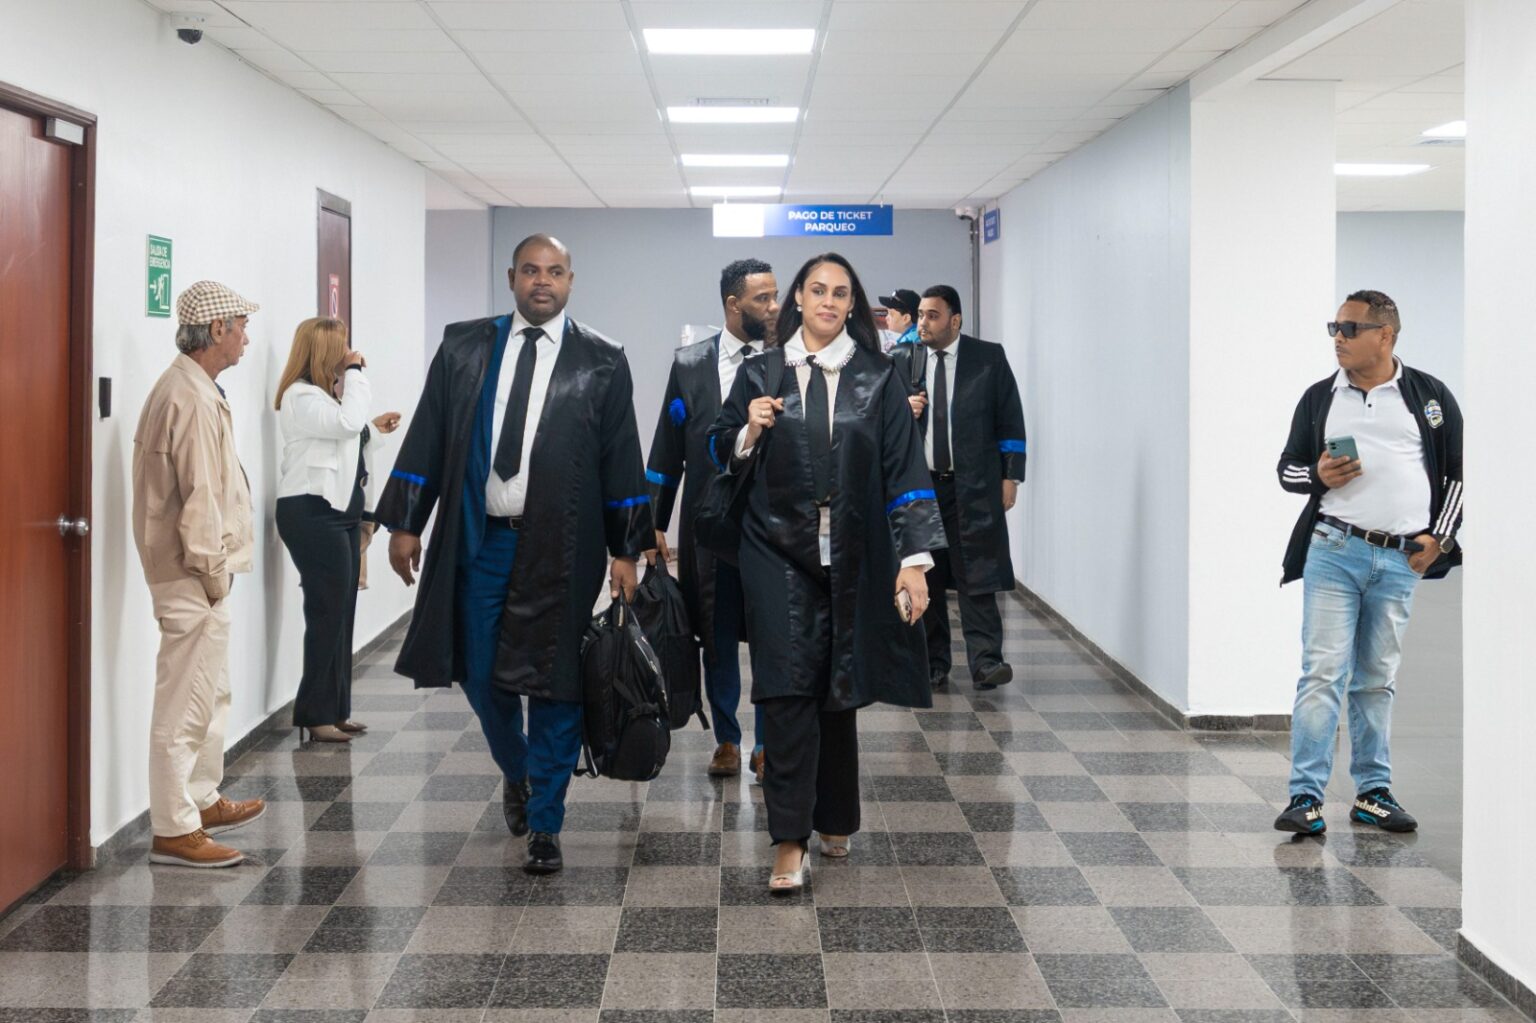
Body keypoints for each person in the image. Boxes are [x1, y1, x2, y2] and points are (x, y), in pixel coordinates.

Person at [378, 234, 652, 875]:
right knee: (481, 672)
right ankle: (521, 768)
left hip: (564, 544)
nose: (542, 281)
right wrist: (406, 522)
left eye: (554, 271)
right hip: (482, 538)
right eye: (531, 270)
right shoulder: (465, 347)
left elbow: (622, 455)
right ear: (511, 278)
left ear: (571, 281)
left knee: (555, 684)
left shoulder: (601, 360)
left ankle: (546, 824)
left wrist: (626, 550)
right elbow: (428, 432)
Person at [708, 252, 945, 892]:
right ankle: (789, 839)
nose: (829, 302)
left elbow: (903, 468)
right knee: (786, 688)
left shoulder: (877, 376)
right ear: (797, 298)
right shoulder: (761, 370)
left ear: (851, 304)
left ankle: (836, 814)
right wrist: (748, 431)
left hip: (853, 549)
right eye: (818, 290)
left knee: (840, 682)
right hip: (772, 547)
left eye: (841, 293)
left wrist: (915, 563)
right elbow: (717, 445)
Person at [1274, 289, 1463, 836]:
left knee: (1376, 680)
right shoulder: (1320, 397)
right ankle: (1305, 798)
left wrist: (1441, 539)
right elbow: (1286, 469)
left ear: (1385, 335)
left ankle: (1372, 793)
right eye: (1334, 327)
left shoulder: (1429, 396)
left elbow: (1457, 473)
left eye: (1350, 328)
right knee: (1323, 673)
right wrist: (1317, 475)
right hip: (1334, 551)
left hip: (1401, 560)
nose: (1338, 337)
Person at [132, 281, 266, 868]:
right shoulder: (186, 396)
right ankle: (173, 829)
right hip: (192, 573)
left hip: (200, 573)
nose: (246, 337)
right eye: (241, 325)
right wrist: (213, 573)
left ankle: (201, 799)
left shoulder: (193, 387)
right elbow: (200, 496)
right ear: (216, 330)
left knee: (210, 694)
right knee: (184, 706)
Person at [646, 259, 778, 781]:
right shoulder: (690, 365)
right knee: (715, 636)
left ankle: (767, 743)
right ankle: (727, 739)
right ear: (732, 304)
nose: (774, 307)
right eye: (763, 299)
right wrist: (652, 522)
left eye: (775, 296)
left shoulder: (786, 361)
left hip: (770, 526)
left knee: (771, 634)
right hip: (708, 524)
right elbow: (667, 446)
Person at [891, 285, 1026, 691]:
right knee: (926, 576)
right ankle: (933, 662)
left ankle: (986, 662)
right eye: (920, 314)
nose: (923, 323)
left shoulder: (988, 358)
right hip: (921, 490)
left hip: (974, 486)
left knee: (977, 573)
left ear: (955, 320)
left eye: (932, 315)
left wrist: (1010, 476)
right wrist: (904, 410)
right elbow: (880, 423)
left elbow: (1010, 418)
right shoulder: (901, 360)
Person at [274, 317, 374, 743]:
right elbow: (347, 424)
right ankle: (315, 715)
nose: (349, 353)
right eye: (342, 347)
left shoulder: (323, 397)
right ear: (324, 352)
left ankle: (336, 710)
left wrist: (374, 424)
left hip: (339, 512)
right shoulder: (299, 396)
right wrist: (355, 374)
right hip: (311, 514)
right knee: (326, 613)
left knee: (342, 613)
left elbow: (350, 435)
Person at [358, 409, 403, 590]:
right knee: (336, 591)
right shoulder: (312, 400)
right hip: (344, 511)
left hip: (358, 509)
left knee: (344, 590)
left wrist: (371, 429)